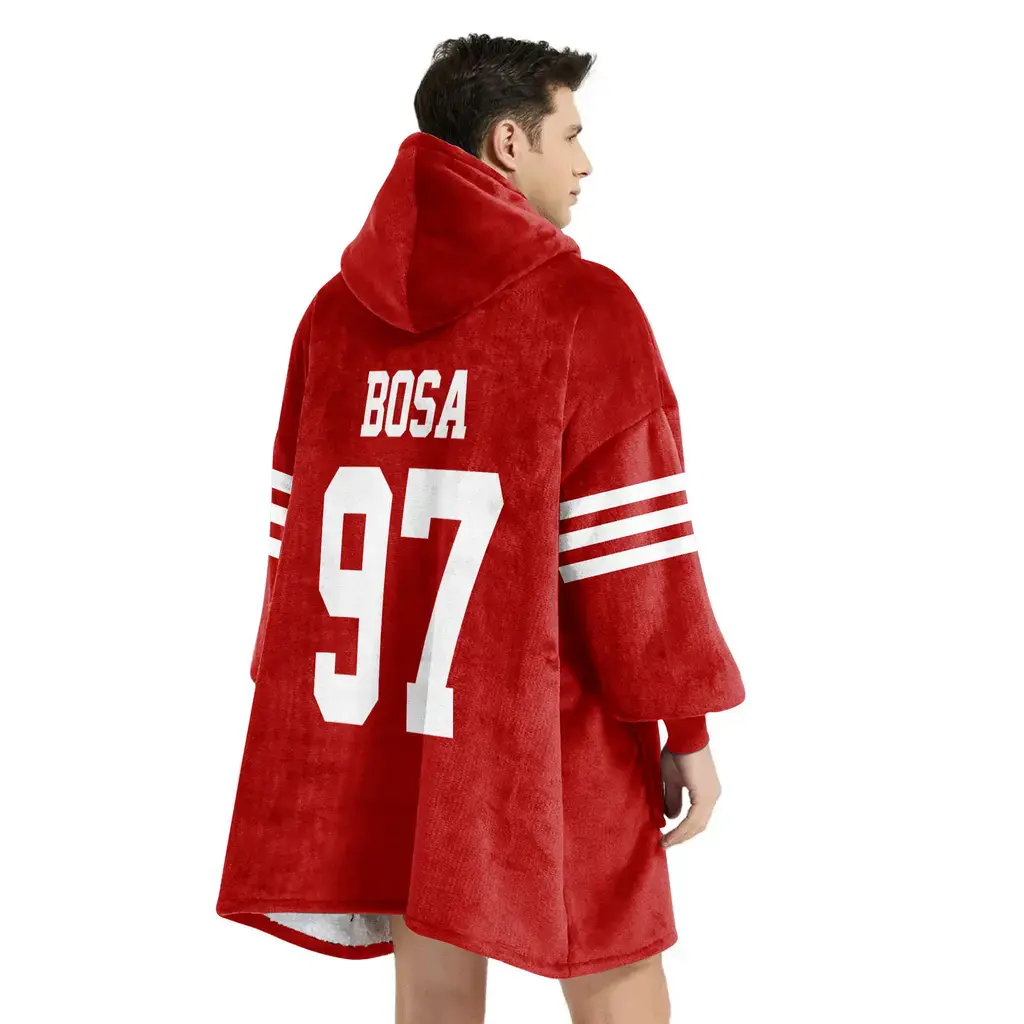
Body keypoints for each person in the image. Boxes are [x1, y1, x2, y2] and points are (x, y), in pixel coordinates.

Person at [216, 32, 744, 1024]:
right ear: (509, 141)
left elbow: (295, 551)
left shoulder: (333, 317)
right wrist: (686, 728)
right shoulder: (585, 309)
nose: (586, 161)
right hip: (548, 724)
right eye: (569, 134)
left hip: (396, 723)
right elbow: (635, 562)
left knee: (433, 981)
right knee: (611, 962)